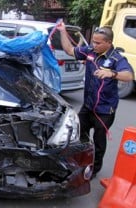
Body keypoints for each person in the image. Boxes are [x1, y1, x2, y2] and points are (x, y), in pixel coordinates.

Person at [57, 22, 134, 178]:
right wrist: (63, 32)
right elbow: (69, 50)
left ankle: (94, 169)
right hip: (88, 107)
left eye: (98, 43)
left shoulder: (116, 59)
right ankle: (77, 162)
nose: (94, 45)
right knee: (77, 133)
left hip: (105, 110)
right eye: (93, 41)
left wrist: (112, 73)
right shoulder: (90, 52)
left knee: (99, 142)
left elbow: (129, 75)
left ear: (109, 43)